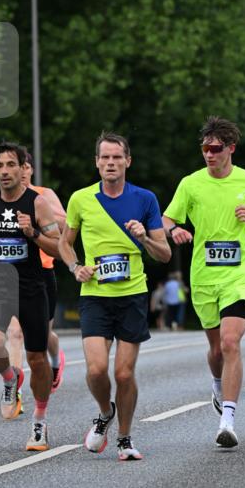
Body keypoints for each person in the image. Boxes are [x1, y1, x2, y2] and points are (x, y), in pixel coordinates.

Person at [163, 116, 245, 449]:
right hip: (203, 277)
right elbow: (168, 216)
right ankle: (218, 383)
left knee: (230, 342)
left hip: (238, 275)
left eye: (215, 149)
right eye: (204, 148)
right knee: (216, 349)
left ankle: (227, 419)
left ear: (230, 148)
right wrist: (174, 230)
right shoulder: (191, 184)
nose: (209, 154)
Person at [58, 132, 171, 461]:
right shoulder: (81, 199)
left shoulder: (145, 199)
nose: (110, 163)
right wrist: (75, 267)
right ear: (96, 162)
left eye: (116, 158)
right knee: (95, 371)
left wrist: (143, 238)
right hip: (94, 295)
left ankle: (124, 437)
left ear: (127, 161)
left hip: (132, 295)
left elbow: (163, 253)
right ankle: (104, 411)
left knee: (123, 373)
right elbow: (65, 243)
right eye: (104, 158)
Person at [0, 141, 61, 451]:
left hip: (31, 288)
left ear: (23, 169)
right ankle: (10, 378)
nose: (5, 171)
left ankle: (39, 422)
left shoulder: (38, 204)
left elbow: (58, 246)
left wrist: (32, 234)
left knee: (37, 359)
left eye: (11, 165)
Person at [6, 151, 67, 412]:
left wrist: (40, 218)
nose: (22, 172)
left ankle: (56, 359)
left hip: (42, 272)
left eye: (25, 167)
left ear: (27, 169)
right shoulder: (3, 199)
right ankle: (16, 390)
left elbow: (65, 225)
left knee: (42, 333)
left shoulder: (44, 195)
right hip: (13, 273)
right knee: (15, 332)